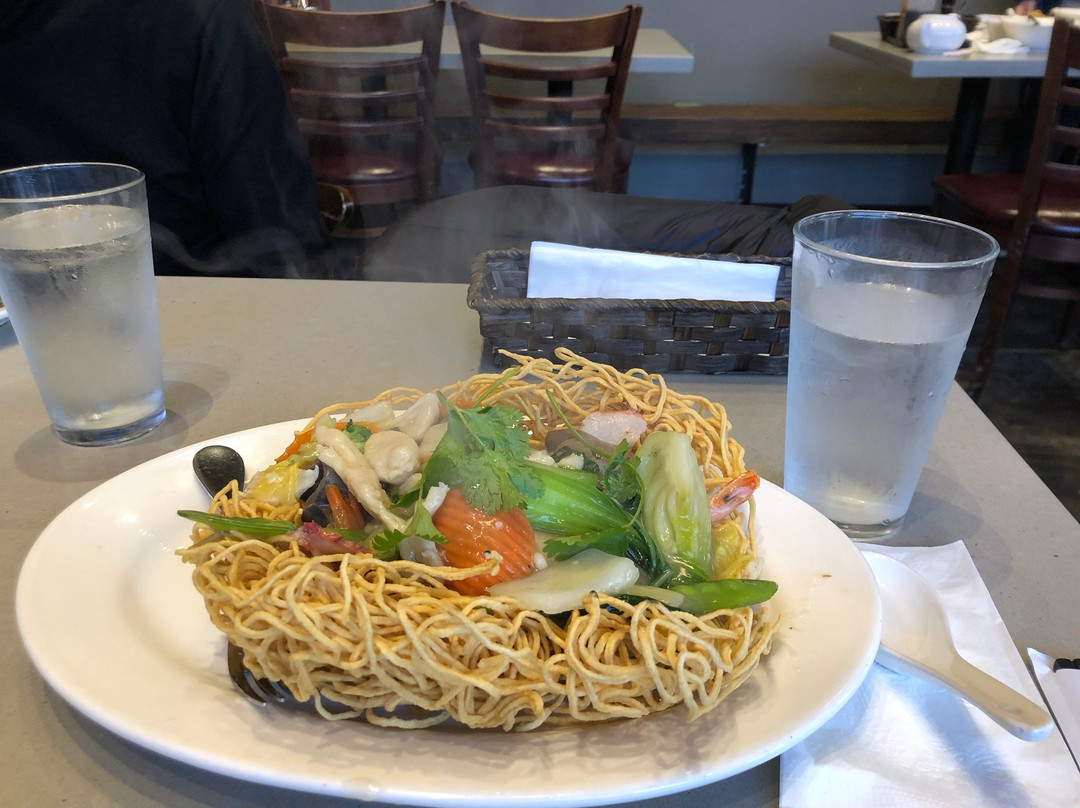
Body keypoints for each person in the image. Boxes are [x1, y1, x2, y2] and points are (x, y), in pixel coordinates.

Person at [0, 0, 341, 278]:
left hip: (198, 308)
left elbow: (282, 243)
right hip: (203, 307)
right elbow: (284, 233)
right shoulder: (194, 16)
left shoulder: (190, 17)